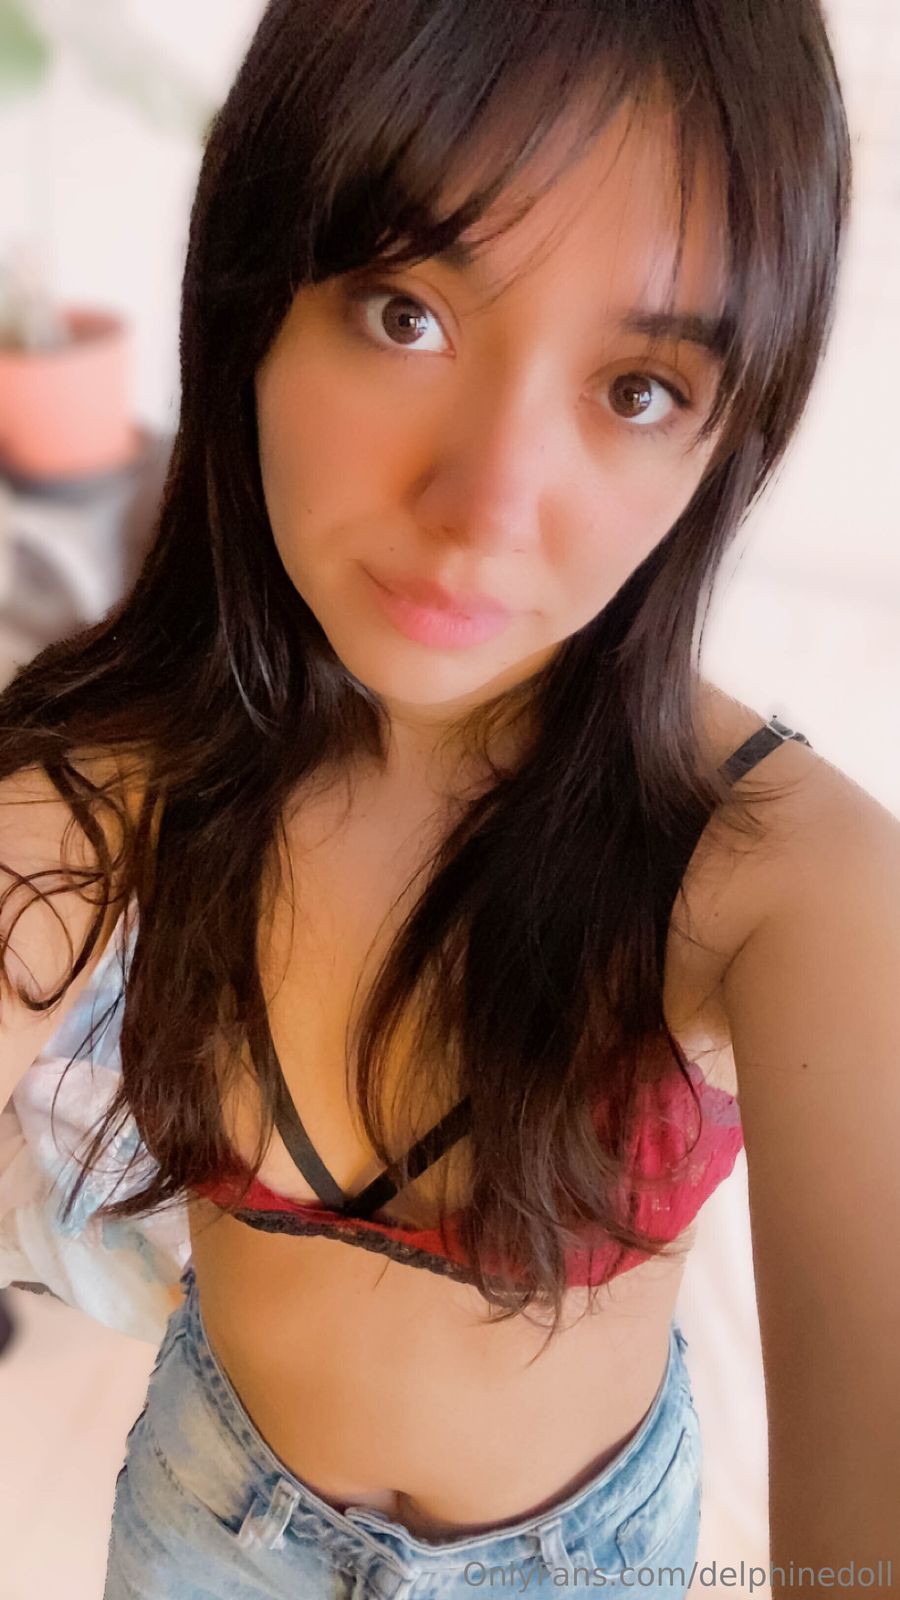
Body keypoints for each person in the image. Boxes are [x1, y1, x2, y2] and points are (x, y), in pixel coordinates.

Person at [0, 1, 897, 1595]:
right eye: (405, 311)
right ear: (255, 300)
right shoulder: (121, 776)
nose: (488, 509)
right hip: (208, 1529)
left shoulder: (788, 884)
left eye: (638, 389)